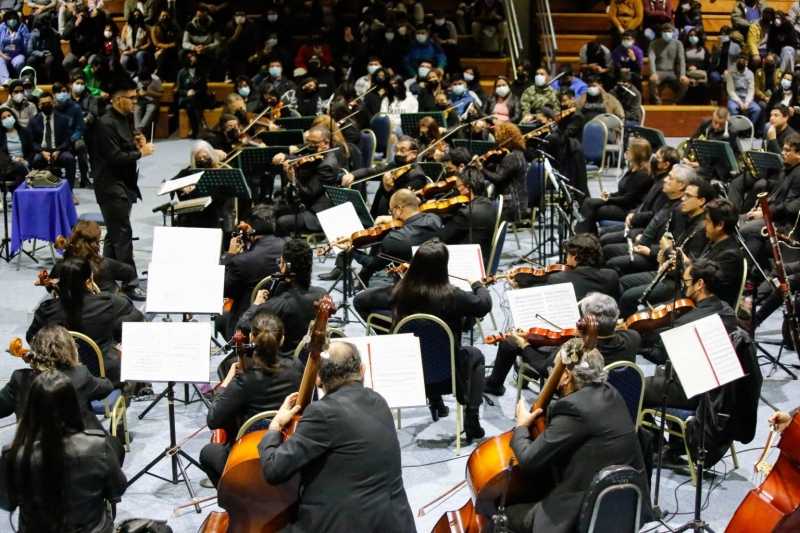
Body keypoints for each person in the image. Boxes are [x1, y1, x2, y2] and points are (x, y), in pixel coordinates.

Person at [258, 342, 415, 532]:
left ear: (318, 380)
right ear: (362, 370)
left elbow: (274, 470)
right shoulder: (379, 402)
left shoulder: (322, 413)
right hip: (394, 523)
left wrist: (274, 427)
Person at [505, 339, 651, 533]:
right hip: (627, 508)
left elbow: (529, 460)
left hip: (580, 513)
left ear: (565, 376)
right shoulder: (612, 393)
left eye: (554, 370)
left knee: (501, 514)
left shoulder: (572, 408)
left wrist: (522, 424)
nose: (551, 376)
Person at [484, 234, 621, 396]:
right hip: (601, 339)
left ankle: (495, 384)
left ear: (575, 257)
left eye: (568, 255)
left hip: (566, 344)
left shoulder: (559, 278)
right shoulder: (611, 276)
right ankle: (528, 373)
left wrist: (518, 290)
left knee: (510, 342)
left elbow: (547, 315)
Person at [0, 370, 127, 533]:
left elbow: (6, 502)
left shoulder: (12, 454)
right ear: (73, 404)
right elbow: (116, 490)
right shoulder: (98, 445)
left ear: (30, 406)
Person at [390, 239, 491, 439]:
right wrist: (477, 284)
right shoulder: (452, 295)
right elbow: (484, 304)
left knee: (425, 345)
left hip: (411, 373)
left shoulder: (400, 292)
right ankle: (472, 416)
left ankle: (436, 402)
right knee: (476, 355)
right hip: (449, 375)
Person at [201, 313, 303, 488]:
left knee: (209, 452)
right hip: (288, 443)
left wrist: (226, 383)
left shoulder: (244, 380)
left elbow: (213, 419)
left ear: (251, 337)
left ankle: (234, 495)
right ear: (281, 340)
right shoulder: (296, 366)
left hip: (252, 447)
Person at [27, 258, 144, 384]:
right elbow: (133, 312)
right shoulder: (107, 302)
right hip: (104, 375)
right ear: (88, 282)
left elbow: (31, 338)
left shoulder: (46, 310)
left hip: (59, 378)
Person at [617, 175, 715, 317]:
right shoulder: (687, 218)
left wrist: (668, 250)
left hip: (677, 285)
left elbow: (691, 268)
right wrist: (664, 254)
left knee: (628, 296)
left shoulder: (701, 228)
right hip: (667, 273)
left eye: (687, 196)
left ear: (701, 201)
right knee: (624, 282)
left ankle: (629, 333)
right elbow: (678, 249)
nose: (682, 199)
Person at [641, 258, 738, 401]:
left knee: (635, 387)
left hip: (692, 391)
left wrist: (636, 342)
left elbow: (660, 356)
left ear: (699, 284)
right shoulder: (728, 311)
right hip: (721, 389)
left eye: (686, 282)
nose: (684, 286)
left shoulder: (685, 322)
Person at [91, 78, 155, 286]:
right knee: (123, 234)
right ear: (119, 100)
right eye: (132, 98)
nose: (136, 101)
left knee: (114, 235)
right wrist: (140, 153)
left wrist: (135, 143)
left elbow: (123, 144)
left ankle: (105, 277)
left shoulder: (124, 118)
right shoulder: (106, 123)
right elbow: (114, 156)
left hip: (124, 184)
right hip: (110, 186)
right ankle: (130, 282)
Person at [349, 188, 443, 315]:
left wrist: (351, 250)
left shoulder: (394, 239)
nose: (391, 214)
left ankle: (393, 329)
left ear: (399, 209)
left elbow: (373, 264)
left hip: (408, 293)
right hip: (437, 290)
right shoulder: (435, 220)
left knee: (359, 301)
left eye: (391, 211)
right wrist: (393, 219)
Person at [237, 239, 327, 356]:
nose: (279, 265)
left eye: (280, 262)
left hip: (283, 361)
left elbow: (241, 326)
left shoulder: (277, 305)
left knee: (225, 365)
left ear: (286, 267)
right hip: (310, 356)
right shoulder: (322, 295)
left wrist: (256, 304)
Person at [215, 205, 288, 340]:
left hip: (251, 323)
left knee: (220, 319)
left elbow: (222, 290)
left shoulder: (241, 261)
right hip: (283, 316)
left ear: (248, 229)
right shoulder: (289, 246)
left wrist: (230, 256)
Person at [738, 132, 800, 269]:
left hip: (781, 221)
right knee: (735, 222)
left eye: (787, 150)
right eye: (783, 149)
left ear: (798, 154)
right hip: (771, 214)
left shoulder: (798, 174)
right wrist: (760, 208)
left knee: (744, 229)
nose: (782, 153)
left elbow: (789, 207)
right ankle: (754, 270)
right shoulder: (786, 169)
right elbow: (775, 196)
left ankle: (744, 270)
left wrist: (764, 213)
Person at [599, 145, 679, 243]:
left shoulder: (665, 186)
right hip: (637, 218)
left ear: (666, 165)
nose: (653, 159)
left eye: (657, 158)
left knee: (604, 237)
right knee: (603, 233)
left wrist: (634, 218)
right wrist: (632, 213)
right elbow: (643, 204)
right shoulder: (657, 178)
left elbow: (653, 214)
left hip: (643, 227)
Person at [576, 137, 653, 234]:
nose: (627, 151)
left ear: (638, 153)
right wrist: (610, 195)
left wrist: (608, 199)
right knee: (589, 205)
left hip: (629, 210)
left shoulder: (642, 174)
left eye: (630, 150)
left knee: (590, 207)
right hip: (622, 204)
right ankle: (586, 239)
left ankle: (581, 238)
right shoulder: (633, 168)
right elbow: (622, 192)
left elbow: (628, 200)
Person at [271, 127, 338, 237]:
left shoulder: (327, 166)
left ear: (326, 143)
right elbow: (299, 156)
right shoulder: (315, 153)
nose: (310, 145)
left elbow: (308, 194)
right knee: (266, 212)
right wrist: (285, 156)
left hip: (316, 213)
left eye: (314, 142)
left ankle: (286, 250)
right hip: (303, 206)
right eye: (308, 141)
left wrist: (293, 179)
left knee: (282, 222)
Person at [50, 220, 142, 298]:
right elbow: (130, 271)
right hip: (104, 310)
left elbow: (50, 288)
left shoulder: (59, 267)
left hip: (72, 313)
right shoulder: (105, 264)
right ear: (96, 244)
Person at [342, 135, 426, 220]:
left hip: (391, 220)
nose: (398, 154)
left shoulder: (416, 176)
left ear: (414, 153)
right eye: (396, 150)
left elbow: (404, 205)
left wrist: (389, 189)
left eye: (402, 150)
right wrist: (353, 175)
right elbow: (374, 171)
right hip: (376, 213)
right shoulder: (394, 165)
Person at [440, 162, 496, 267]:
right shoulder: (487, 203)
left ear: (467, 188)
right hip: (483, 256)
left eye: (458, 186)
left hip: (468, 262)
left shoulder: (465, 214)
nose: (456, 189)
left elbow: (442, 236)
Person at [27, 91, 77, 201]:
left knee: (70, 159)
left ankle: (69, 192)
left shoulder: (62, 119)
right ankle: (38, 193)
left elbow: (68, 139)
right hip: (42, 151)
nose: (46, 105)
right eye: (43, 104)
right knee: (35, 161)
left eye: (48, 103)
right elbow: (31, 142)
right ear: (39, 105)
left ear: (53, 103)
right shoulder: (33, 120)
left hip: (59, 150)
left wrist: (58, 151)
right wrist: (42, 152)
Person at [480, 122, 529, 223]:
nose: (496, 141)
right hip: (513, 201)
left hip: (512, 205)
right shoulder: (516, 153)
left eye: (497, 138)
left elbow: (497, 178)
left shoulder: (512, 157)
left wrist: (481, 169)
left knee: (481, 216)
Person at [683, 106, 741, 181]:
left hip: (718, 167)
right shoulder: (706, 123)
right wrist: (685, 157)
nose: (717, 126)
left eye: (721, 124)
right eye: (715, 122)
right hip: (703, 159)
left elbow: (723, 157)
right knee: (679, 169)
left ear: (727, 122)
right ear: (713, 117)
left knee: (691, 175)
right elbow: (692, 140)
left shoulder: (732, 132)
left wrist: (700, 164)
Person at [648, 23, 688, 104]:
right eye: (665, 31)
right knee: (652, 82)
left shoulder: (678, 44)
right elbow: (651, 59)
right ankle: (657, 102)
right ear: (661, 32)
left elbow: (682, 60)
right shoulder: (654, 43)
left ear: (673, 33)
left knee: (685, 84)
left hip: (673, 72)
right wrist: (653, 73)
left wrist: (682, 74)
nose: (667, 33)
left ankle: (676, 102)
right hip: (659, 71)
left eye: (669, 31)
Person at [175, 51, 210, 139]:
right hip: (185, 98)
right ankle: (201, 121)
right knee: (191, 100)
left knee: (190, 106)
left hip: (199, 98)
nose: (193, 59)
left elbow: (203, 89)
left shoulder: (201, 72)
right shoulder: (181, 73)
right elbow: (179, 89)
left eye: (194, 57)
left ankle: (194, 129)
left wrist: (195, 92)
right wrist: (187, 92)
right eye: (190, 57)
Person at [180, 6, 223, 76]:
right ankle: (188, 73)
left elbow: (218, 42)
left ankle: (211, 74)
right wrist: (195, 48)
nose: (202, 18)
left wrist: (206, 47)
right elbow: (185, 43)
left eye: (204, 16)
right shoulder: (190, 25)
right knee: (181, 53)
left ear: (208, 15)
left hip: (208, 50)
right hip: (195, 49)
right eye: (199, 16)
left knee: (219, 52)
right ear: (196, 16)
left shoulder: (213, 25)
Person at [0, 107, 32, 190]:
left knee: (19, 175)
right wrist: (14, 159)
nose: (7, 118)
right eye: (4, 118)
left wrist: (26, 161)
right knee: (20, 167)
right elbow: (1, 155)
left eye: (9, 115)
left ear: (13, 116)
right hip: (7, 167)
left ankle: (19, 197)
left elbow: (31, 150)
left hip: (25, 164)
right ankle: (29, 191)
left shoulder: (24, 131)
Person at [26, 13, 63, 84]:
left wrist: (48, 53)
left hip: (50, 54)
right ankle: (31, 81)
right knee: (31, 60)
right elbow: (30, 50)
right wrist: (42, 54)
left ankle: (50, 82)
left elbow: (56, 48)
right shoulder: (33, 35)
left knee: (49, 61)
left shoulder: (52, 33)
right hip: (37, 54)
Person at [709, 26, 741, 105]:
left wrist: (729, 70)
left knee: (728, 78)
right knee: (714, 77)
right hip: (717, 70)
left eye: (725, 35)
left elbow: (738, 61)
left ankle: (729, 100)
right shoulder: (716, 46)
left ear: (729, 35)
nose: (723, 37)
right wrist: (717, 49)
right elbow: (712, 61)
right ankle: (715, 99)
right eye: (721, 35)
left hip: (730, 70)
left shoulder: (736, 46)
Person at [727, 53, 761, 125]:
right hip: (734, 99)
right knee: (733, 108)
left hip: (746, 99)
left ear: (747, 63)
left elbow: (751, 90)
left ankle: (748, 127)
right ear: (736, 62)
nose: (741, 62)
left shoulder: (750, 74)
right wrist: (740, 102)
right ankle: (735, 128)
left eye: (743, 61)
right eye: (739, 60)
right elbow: (730, 90)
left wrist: (747, 102)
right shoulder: (731, 72)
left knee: (757, 109)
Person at [151, 9, 181, 81]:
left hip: (173, 51)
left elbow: (175, 42)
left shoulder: (174, 27)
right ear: (159, 17)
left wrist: (163, 49)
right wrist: (165, 48)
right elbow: (156, 43)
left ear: (170, 17)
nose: (164, 17)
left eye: (166, 16)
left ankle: (156, 71)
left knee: (164, 53)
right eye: (162, 16)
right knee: (164, 55)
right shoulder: (154, 28)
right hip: (159, 50)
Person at [119, 8, 151, 74]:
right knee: (125, 59)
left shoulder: (145, 28)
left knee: (139, 55)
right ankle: (126, 76)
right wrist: (125, 51)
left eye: (138, 15)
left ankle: (141, 74)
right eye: (135, 15)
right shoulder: (126, 27)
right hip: (128, 51)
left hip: (140, 50)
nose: (137, 17)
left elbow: (148, 43)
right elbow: (122, 42)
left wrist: (138, 49)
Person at [0, 10, 28, 85]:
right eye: (9, 18)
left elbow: (26, 42)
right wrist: (2, 55)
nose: (12, 20)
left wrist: (26, 54)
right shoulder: (1, 27)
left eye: (14, 18)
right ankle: (6, 80)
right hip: (3, 54)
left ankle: (20, 81)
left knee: (20, 62)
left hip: (17, 54)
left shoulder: (22, 27)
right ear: (6, 20)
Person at [132, 67, 162, 137]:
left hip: (152, 100)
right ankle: (138, 131)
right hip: (139, 100)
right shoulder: (135, 80)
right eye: (142, 81)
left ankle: (139, 129)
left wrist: (150, 93)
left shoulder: (156, 79)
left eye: (147, 81)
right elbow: (131, 94)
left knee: (151, 109)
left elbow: (161, 95)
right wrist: (138, 94)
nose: (145, 83)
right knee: (137, 110)